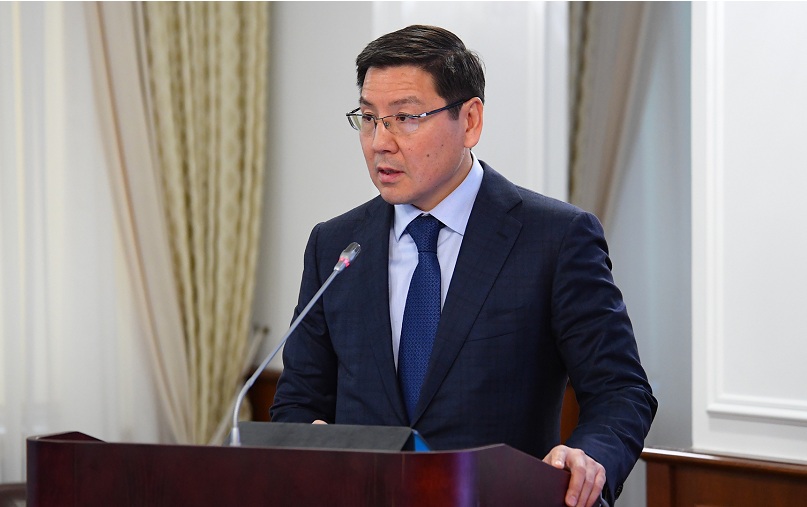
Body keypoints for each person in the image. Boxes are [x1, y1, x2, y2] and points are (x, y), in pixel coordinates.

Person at [271, 25, 657, 507]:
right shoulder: (335, 246)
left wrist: (587, 457)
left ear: (470, 120)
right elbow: (298, 400)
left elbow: (620, 391)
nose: (379, 142)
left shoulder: (555, 239)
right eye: (368, 119)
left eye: (404, 118)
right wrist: (311, 443)